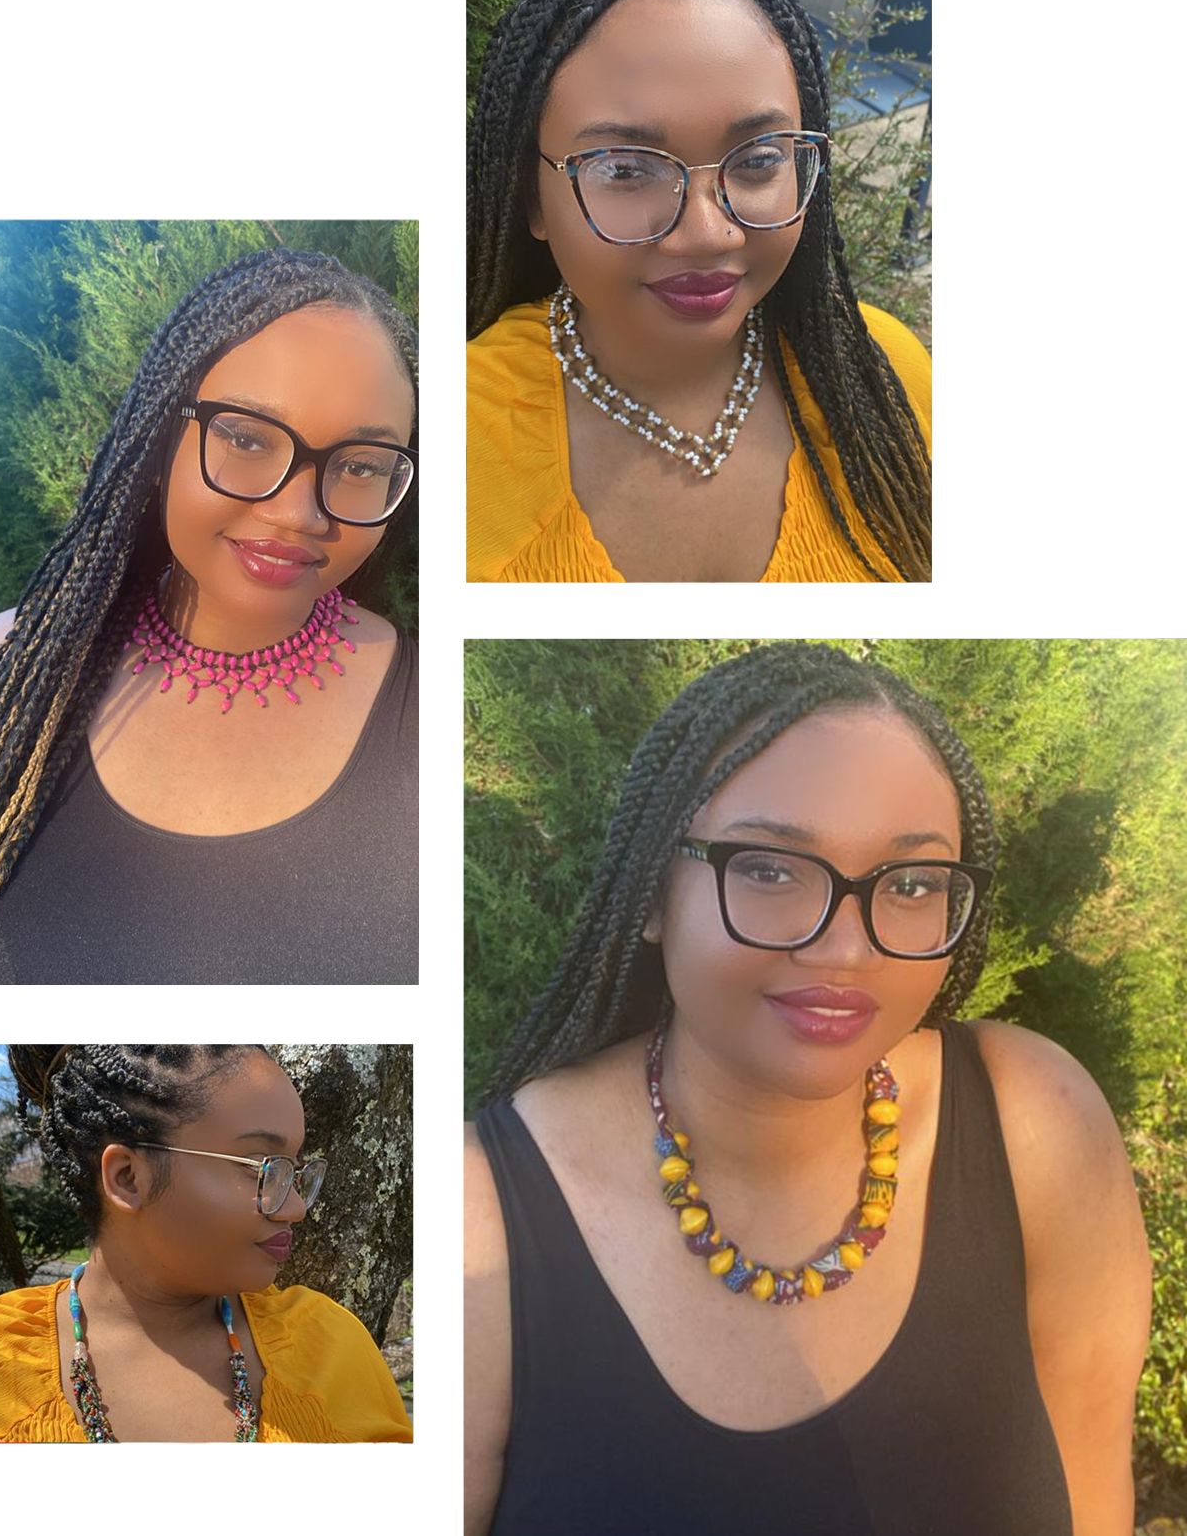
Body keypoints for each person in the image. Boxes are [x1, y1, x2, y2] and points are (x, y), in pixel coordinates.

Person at [463, 642, 1151, 1533]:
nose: (846, 948)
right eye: (769, 868)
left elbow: (1095, 1493)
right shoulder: (478, 1222)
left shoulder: (1035, 1123)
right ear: (650, 893)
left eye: (909, 883)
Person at [0, 247, 419, 984]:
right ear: (161, 443)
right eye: (247, 438)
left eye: (359, 464)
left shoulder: (432, 707)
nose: (298, 512)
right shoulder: (5, 674)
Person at [466, 0, 932, 584]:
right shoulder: (462, 432)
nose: (709, 234)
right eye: (628, 170)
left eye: (760, 160)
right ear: (532, 197)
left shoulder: (885, 375)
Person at [0, 1044, 413, 1444]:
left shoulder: (329, 1349)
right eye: (263, 1166)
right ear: (127, 1178)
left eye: (295, 1171)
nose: (297, 1207)